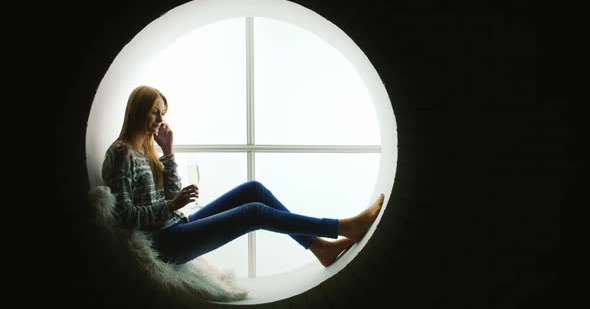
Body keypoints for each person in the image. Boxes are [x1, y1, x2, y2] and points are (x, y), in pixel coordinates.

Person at [102, 85, 385, 267]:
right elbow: (124, 216)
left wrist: (168, 153)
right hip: (163, 244)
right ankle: (340, 228)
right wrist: (172, 205)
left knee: (254, 189)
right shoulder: (121, 153)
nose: (160, 120)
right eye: (155, 112)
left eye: (162, 113)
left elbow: (170, 196)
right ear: (137, 111)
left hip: (177, 226)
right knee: (254, 212)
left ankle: (319, 247)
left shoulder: (147, 153)